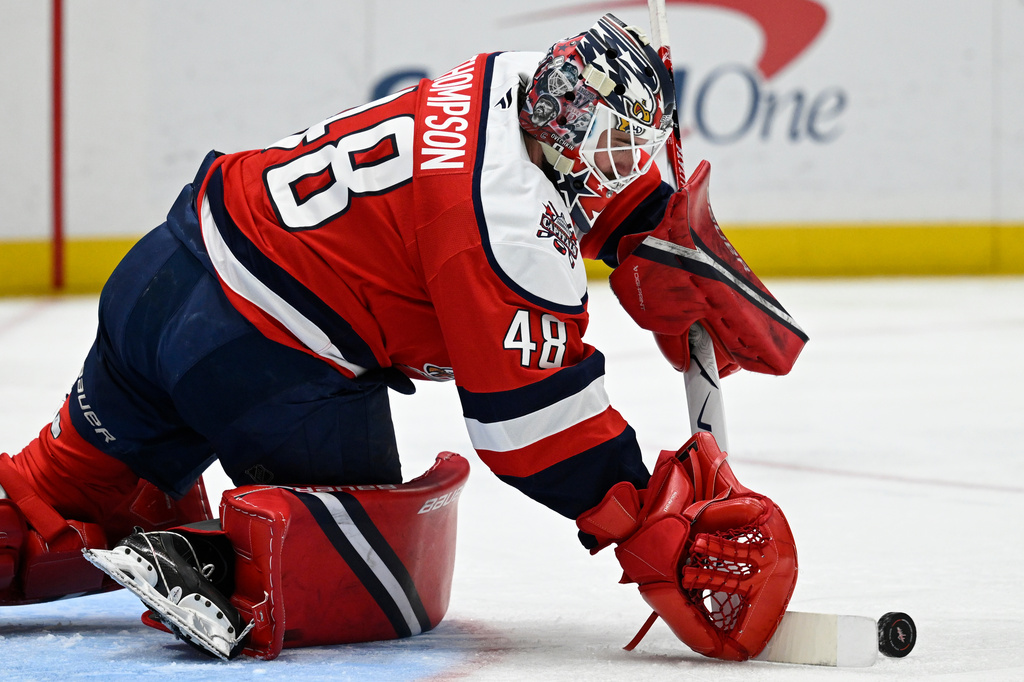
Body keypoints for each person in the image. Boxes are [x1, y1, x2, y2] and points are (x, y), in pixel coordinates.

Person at [0, 14, 805, 662]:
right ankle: (217, 561)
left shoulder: (514, 75)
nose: (625, 166)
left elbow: (576, 144)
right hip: (261, 358)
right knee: (384, 574)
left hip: (166, 271)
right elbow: (531, 428)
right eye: (621, 156)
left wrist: (641, 228)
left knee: (52, 497)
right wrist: (650, 514)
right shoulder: (511, 229)